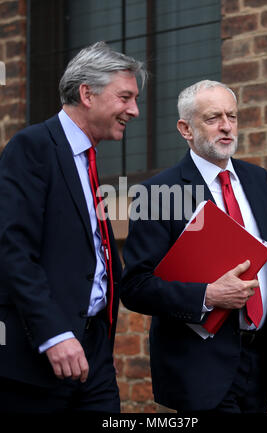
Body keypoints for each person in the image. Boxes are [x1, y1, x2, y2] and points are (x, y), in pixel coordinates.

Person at [121, 80, 267, 413]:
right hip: (199, 370)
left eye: (232, 116)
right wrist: (208, 295)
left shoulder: (257, 179)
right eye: (213, 118)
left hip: (258, 360)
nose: (226, 126)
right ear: (186, 128)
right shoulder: (156, 193)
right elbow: (135, 287)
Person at [0, 41, 146, 414]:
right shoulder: (32, 146)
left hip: (93, 350)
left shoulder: (89, 159)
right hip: (40, 358)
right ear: (87, 94)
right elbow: (12, 249)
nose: (135, 110)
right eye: (125, 97)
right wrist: (54, 334)